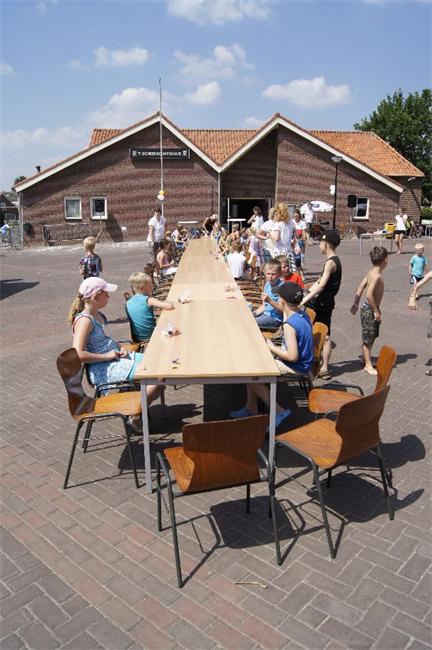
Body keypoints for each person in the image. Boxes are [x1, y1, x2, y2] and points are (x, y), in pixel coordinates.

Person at [67, 276, 162, 405]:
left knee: (158, 364)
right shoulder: (84, 321)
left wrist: (120, 348)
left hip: (114, 359)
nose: (108, 296)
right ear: (95, 297)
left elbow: (105, 340)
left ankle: (139, 406)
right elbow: (78, 354)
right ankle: (136, 411)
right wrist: (107, 356)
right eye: (106, 294)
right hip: (103, 368)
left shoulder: (98, 315)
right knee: (157, 376)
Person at [230, 282, 313, 428]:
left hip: (296, 367)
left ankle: (279, 411)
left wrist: (271, 348)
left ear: (282, 302)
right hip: (303, 362)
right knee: (253, 365)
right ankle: (251, 408)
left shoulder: (290, 325)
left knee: (250, 373)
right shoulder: (302, 314)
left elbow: (292, 356)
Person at [299, 230, 342, 380]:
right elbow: (319, 281)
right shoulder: (330, 261)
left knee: (325, 335)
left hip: (323, 303)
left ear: (327, 244)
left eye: (321, 243)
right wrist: (307, 291)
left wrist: (304, 300)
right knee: (318, 332)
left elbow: (322, 285)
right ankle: (317, 363)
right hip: (322, 302)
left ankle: (323, 367)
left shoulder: (331, 262)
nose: (319, 246)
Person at [350, 246, 388, 375]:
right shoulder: (376, 276)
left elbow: (360, 287)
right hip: (370, 310)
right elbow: (369, 295)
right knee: (369, 338)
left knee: (371, 335)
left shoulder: (371, 272)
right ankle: (367, 364)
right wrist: (376, 311)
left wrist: (355, 303)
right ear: (386, 260)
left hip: (368, 308)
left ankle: (364, 357)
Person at [126, 272, 174, 341]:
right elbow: (170, 306)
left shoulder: (128, 302)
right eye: (150, 286)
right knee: (172, 327)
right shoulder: (148, 300)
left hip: (138, 337)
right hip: (151, 335)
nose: (152, 287)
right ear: (142, 288)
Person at [253, 259, 284, 330]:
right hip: (265, 314)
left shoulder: (282, 287)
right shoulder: (267, 284)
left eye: (273, 274)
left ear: (280, 274)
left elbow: (282, 310)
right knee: (248, 318)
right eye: (268, 274)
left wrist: (270, 301)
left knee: (250, 322)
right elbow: (264, 306)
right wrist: (254, 314)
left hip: (275, 319)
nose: (270, 277)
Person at [270, 203, 297, 273]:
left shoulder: (278, 224)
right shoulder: (291, 223)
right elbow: (294, 235)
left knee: (278, 273)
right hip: (288, 251)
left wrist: (271, 233)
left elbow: (276, 238)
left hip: (279, 252)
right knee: (290, 273)